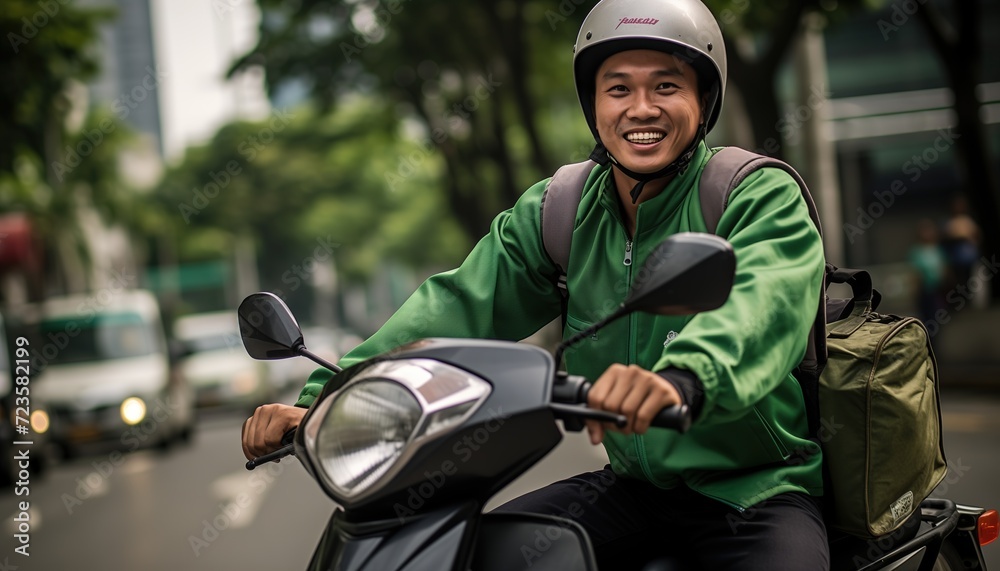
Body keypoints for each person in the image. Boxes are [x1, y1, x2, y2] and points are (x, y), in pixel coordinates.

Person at [242, 0, 828, 568]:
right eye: (618, 88)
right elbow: (455, 307)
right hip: (633, 486)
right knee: (470, 554)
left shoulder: (752, 193)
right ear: (592, 104)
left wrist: (683, 378)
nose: (641, 108)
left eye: (667, 86)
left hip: (754, 490)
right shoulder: (562, 211)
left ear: (705, 99)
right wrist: (330, 396)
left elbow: (765, 302)